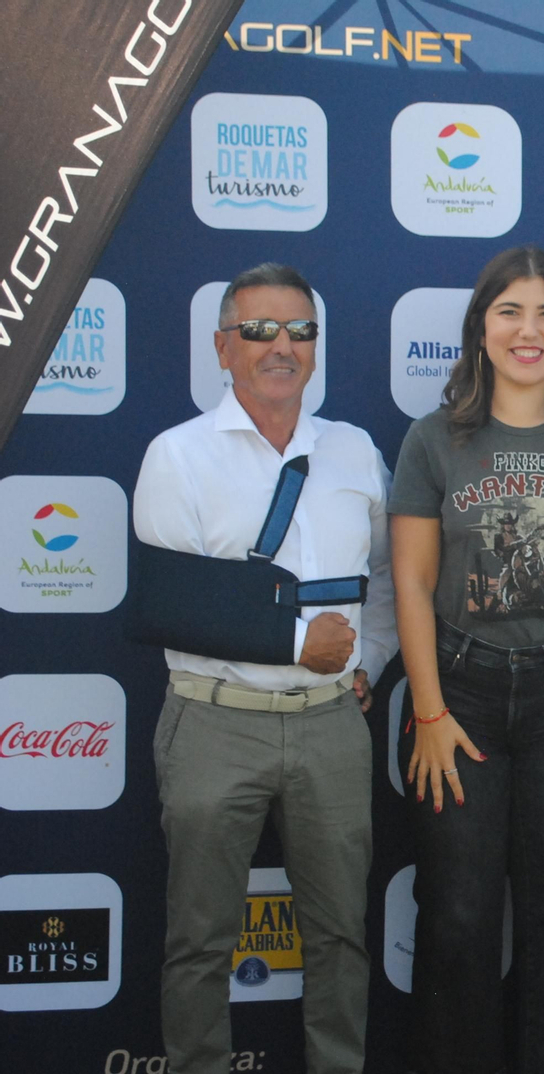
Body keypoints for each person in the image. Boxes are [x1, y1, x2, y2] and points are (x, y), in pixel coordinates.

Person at [133, 262, 396, 1074]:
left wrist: (370, 661)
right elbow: (169, 607)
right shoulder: (177, 457)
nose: (281, 346)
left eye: (300, 330)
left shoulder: (353, 451)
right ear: (223, 347)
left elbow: (384, 579)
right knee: (200, 940)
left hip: (328, 724)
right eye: (259, 330)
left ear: (316, 345)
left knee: (341, 937)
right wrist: (292, 647)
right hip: (214, 722)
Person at [388, 246, 544, 1074]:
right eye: (509, 311)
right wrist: (428, 711)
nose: (528, 331)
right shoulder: (434, 442)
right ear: (480, 328)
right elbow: (413, 583)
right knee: (457, 916)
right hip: (457, 692)